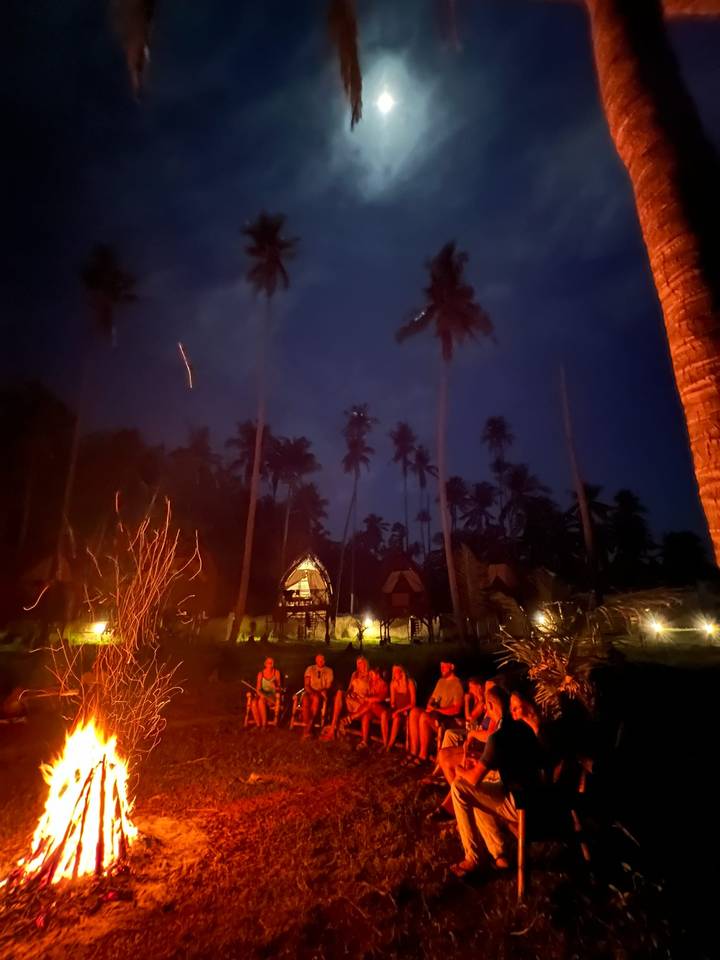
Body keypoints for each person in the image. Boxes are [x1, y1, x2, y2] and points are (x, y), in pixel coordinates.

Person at [449, 685, 544, 877]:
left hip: (521, 804)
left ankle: (473, 859)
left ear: (491, 706)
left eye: (486, 706)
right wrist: (480, 764)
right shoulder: (524, 727)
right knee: (480, 791)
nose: (485, 710)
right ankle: (499, 855)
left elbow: (474, 778)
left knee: (460, 787)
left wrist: (460, 769)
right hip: (537, 794)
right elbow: (510, 762)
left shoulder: (497, 738)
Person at [407, 661, 464, 765]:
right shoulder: (441, 681)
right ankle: (413, 751)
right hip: (435, 714)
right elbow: (433, 697)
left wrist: (437, 710)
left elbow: (457, 709)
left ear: (452, 666)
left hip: (445, 720)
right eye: (440, 666)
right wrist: (430, 705)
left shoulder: (457, 684)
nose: (441, 668)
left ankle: (423, 755)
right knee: (414, 712)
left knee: (424, 717)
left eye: (444, 666)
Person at [328, 656, 371, 737]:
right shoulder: (355, 674)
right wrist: (349, 693)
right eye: (357, 663)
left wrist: (361, 696)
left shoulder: (370, 675)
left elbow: (371, 692)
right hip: (351, 699)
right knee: (339, 693)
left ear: (365, 663)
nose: (358, 665)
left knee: (338, 699)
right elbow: (349, 689)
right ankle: (333, 727)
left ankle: (336, 725)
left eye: (360, 663)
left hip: (361, 702)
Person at [352, 666, 390, 749]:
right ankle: (364, 741)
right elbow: (368, 695)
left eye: (372, 674)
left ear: (378, 675)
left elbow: (380, 698)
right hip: (372, 709)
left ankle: (352, 717)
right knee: (366, 716)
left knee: (371, 704)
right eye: (370, 674)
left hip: (382, 709)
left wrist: (368, 699)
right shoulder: (371, 683)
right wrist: (359, 696)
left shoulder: (383, 684)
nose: (370, 676)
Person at [301, 653, 334, 738]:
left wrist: (320, 692)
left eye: (322, 660)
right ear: (316, 660)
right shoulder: (310, 669)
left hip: (320, 693)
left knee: (316, 699)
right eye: (319, 660)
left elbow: (328, 686)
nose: (320, 661)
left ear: (324, 661)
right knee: (305, 700)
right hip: (310, 691)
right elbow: (306, 685)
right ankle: (308, 727)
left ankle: (307, 729)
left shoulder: (329, 671)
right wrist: (312, 692)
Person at [387, 665, 417, 751]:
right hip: (397, 710)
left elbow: (413, 703)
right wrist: (393, 706)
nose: (394, 673)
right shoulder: (393, 683)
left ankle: (390, 745)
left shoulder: (410, 683)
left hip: (407, 711)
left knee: (396, 718)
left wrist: (399, 711)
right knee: (385, 715)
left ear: (401, 672)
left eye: (396, 671)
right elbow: (392, 701)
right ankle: (385, 743)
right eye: (393, 671)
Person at [250, 657, 281, 728]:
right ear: (265, 664)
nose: (270, 664)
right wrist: (262, 695)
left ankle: (264, 725)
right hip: (262, 695)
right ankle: (258, 724)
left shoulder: (276, 672)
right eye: (268, 662)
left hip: (272, 696)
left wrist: (275, 686)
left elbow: (279, 688)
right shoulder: (261, 674)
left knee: (261, 701)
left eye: (272, 662)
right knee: (254, 703)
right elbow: (258, 689)